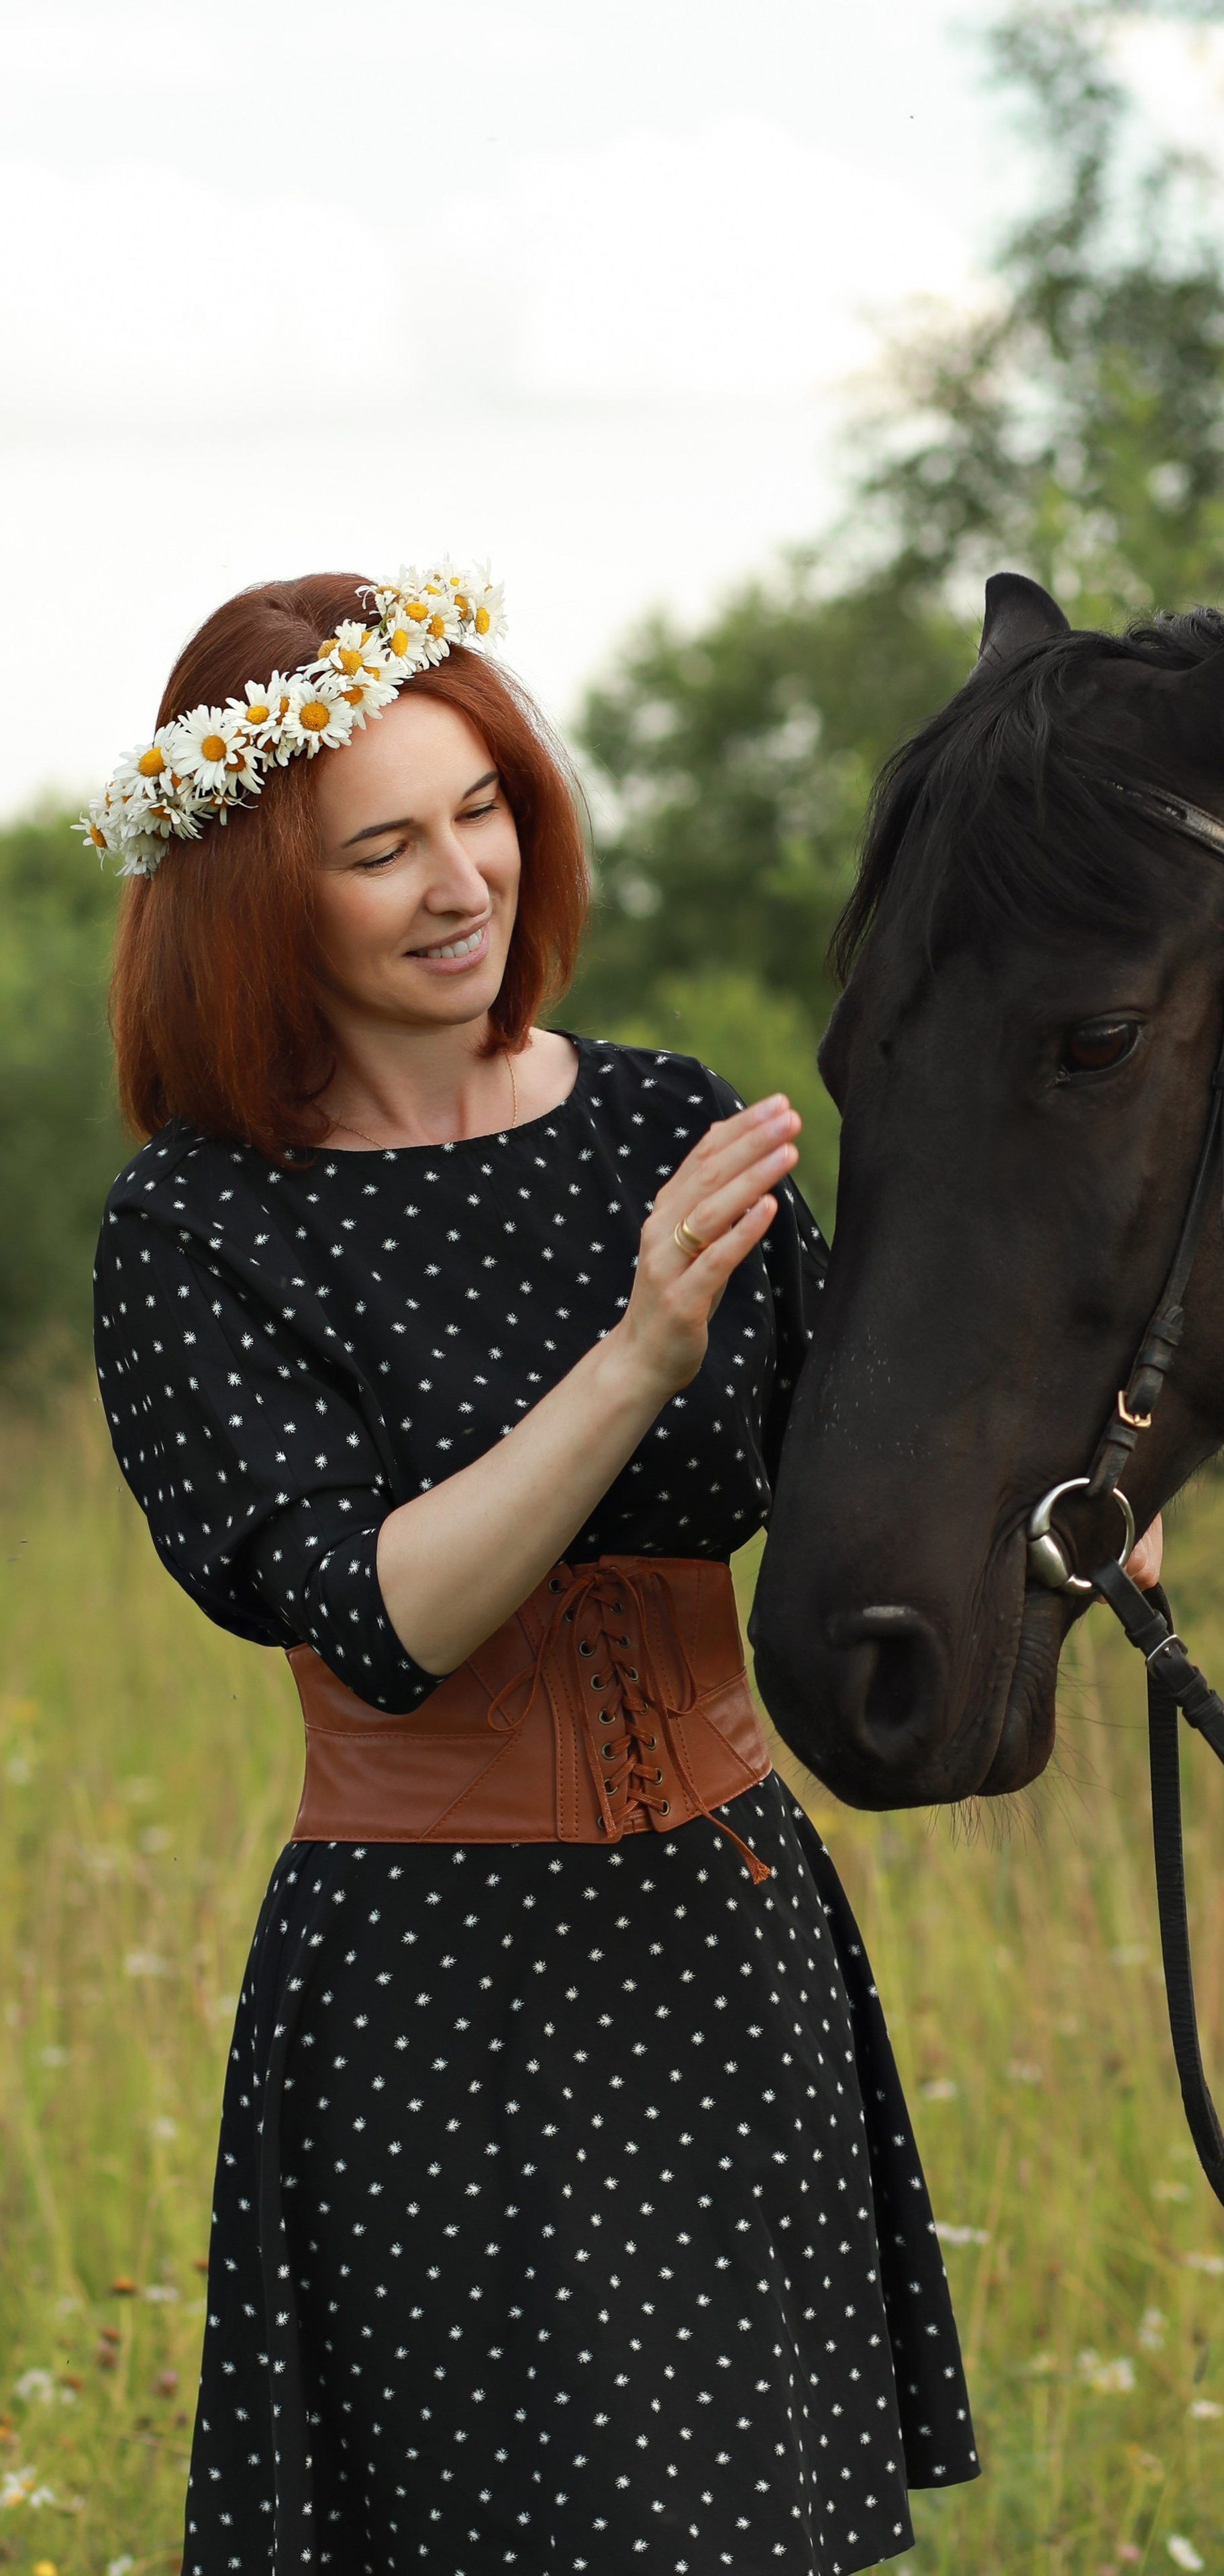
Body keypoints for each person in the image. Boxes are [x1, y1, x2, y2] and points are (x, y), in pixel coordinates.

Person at [89, 566, 984, 2576]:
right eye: (380, 848)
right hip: (436, 2000)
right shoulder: (202, 1228)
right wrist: (639, 1352)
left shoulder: (656, 1120)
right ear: (253, 898)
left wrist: (1084, 1476)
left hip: (725, 1940)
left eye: (482, 808)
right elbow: (379, 1619)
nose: (460, 881)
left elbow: (876, 1456)